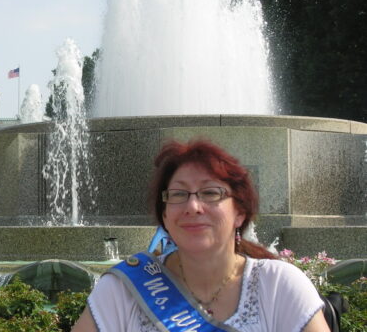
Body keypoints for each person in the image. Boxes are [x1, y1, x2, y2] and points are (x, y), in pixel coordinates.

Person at [73, 140, 330, 332]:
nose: (193, 206)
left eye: (210, 193)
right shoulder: (121, 291)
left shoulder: (278, 286)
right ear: (164, 216)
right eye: (178, 194)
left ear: (239, 212)